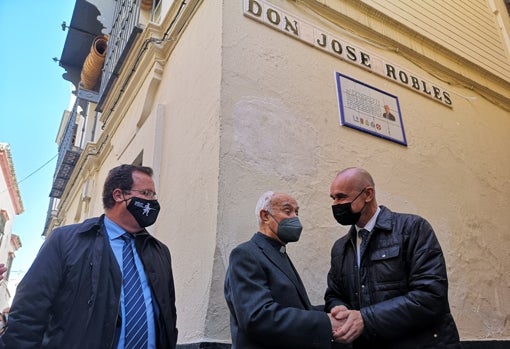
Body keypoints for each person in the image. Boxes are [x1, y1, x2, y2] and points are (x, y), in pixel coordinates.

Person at [2, 164, 178, 349]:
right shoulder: (65, 240)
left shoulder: (160, 252)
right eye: (146, 193)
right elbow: (29, 311)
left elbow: (168, 316)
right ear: (119, 195)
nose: (153, 201)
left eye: (154, 195)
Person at [325, 167, 461, 348]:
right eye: (333, 198)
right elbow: (334, 294)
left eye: (341, 197)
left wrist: (365, 319)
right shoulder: (340, 248)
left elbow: (431, 295)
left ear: (368, 194)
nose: (335, 204)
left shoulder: (412, 228)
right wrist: (338, 309)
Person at [224, 191, 345, 349]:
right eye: (288, 211)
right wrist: (326, 322)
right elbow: (257, 317)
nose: (295, 217)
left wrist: (336, 313)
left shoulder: (278, 253)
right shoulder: (246, 254)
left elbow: (298, 309)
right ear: (265, 216)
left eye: (297, 212)